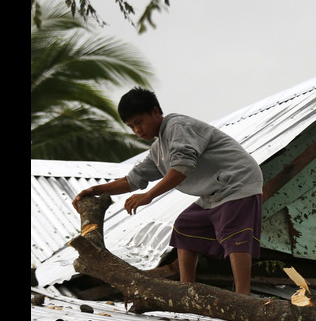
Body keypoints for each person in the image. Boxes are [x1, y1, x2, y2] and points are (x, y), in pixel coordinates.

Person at [72, 87, 264, 295]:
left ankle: (243, 296)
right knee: (186, 226)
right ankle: (186, 290)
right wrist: (96, 189)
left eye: (139, 122)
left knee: (233, 235)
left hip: (237, 183)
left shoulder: (178, 126)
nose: (137, 130)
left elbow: (183, 167)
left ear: (156, 112)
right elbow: (134, 179)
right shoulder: (158, 148)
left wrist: (149, 196)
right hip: (213, 194)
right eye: (131, 126)